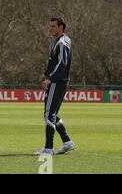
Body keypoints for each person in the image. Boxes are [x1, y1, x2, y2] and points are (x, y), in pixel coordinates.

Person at [35, 18, 75, 156]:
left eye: (53, 26)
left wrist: (49, 78)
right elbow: (55, 63)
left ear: (61, 27)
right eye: (50, 26)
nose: (50, 28)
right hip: (59, 81)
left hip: (57, 82)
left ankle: (48, 148)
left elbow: (61, 64)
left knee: (49, 114)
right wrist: (45, 74)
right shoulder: (63, 41)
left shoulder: (62, 43)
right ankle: (67, 142)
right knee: (53, 114)